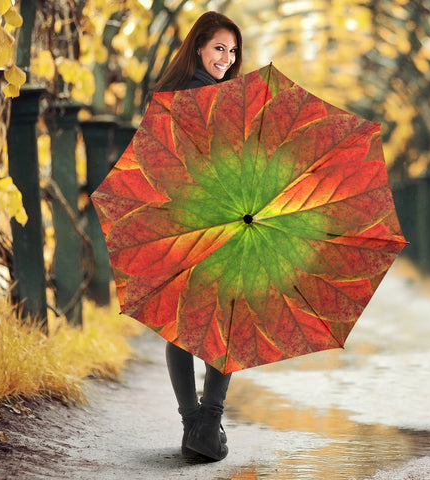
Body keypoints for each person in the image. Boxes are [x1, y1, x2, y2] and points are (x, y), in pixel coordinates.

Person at [152, 11, 243, 462]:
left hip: (179, 223)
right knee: (224, 321)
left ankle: (193, 425)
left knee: (182, 324)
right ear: (199, 49)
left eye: (232, 50)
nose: (226, 58)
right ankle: (208, 421)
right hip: (219, 220)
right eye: (218, 48)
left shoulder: (168, 96)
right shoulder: (218, 101)